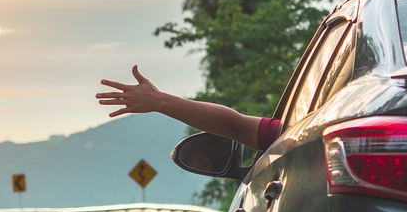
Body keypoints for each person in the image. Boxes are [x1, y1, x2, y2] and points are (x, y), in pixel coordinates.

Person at [96, 65, 281, 152]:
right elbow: (235, 127)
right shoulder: (302, 133)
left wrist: (159, 101)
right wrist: (159, 101)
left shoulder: (299, 136)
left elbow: (236, 128)